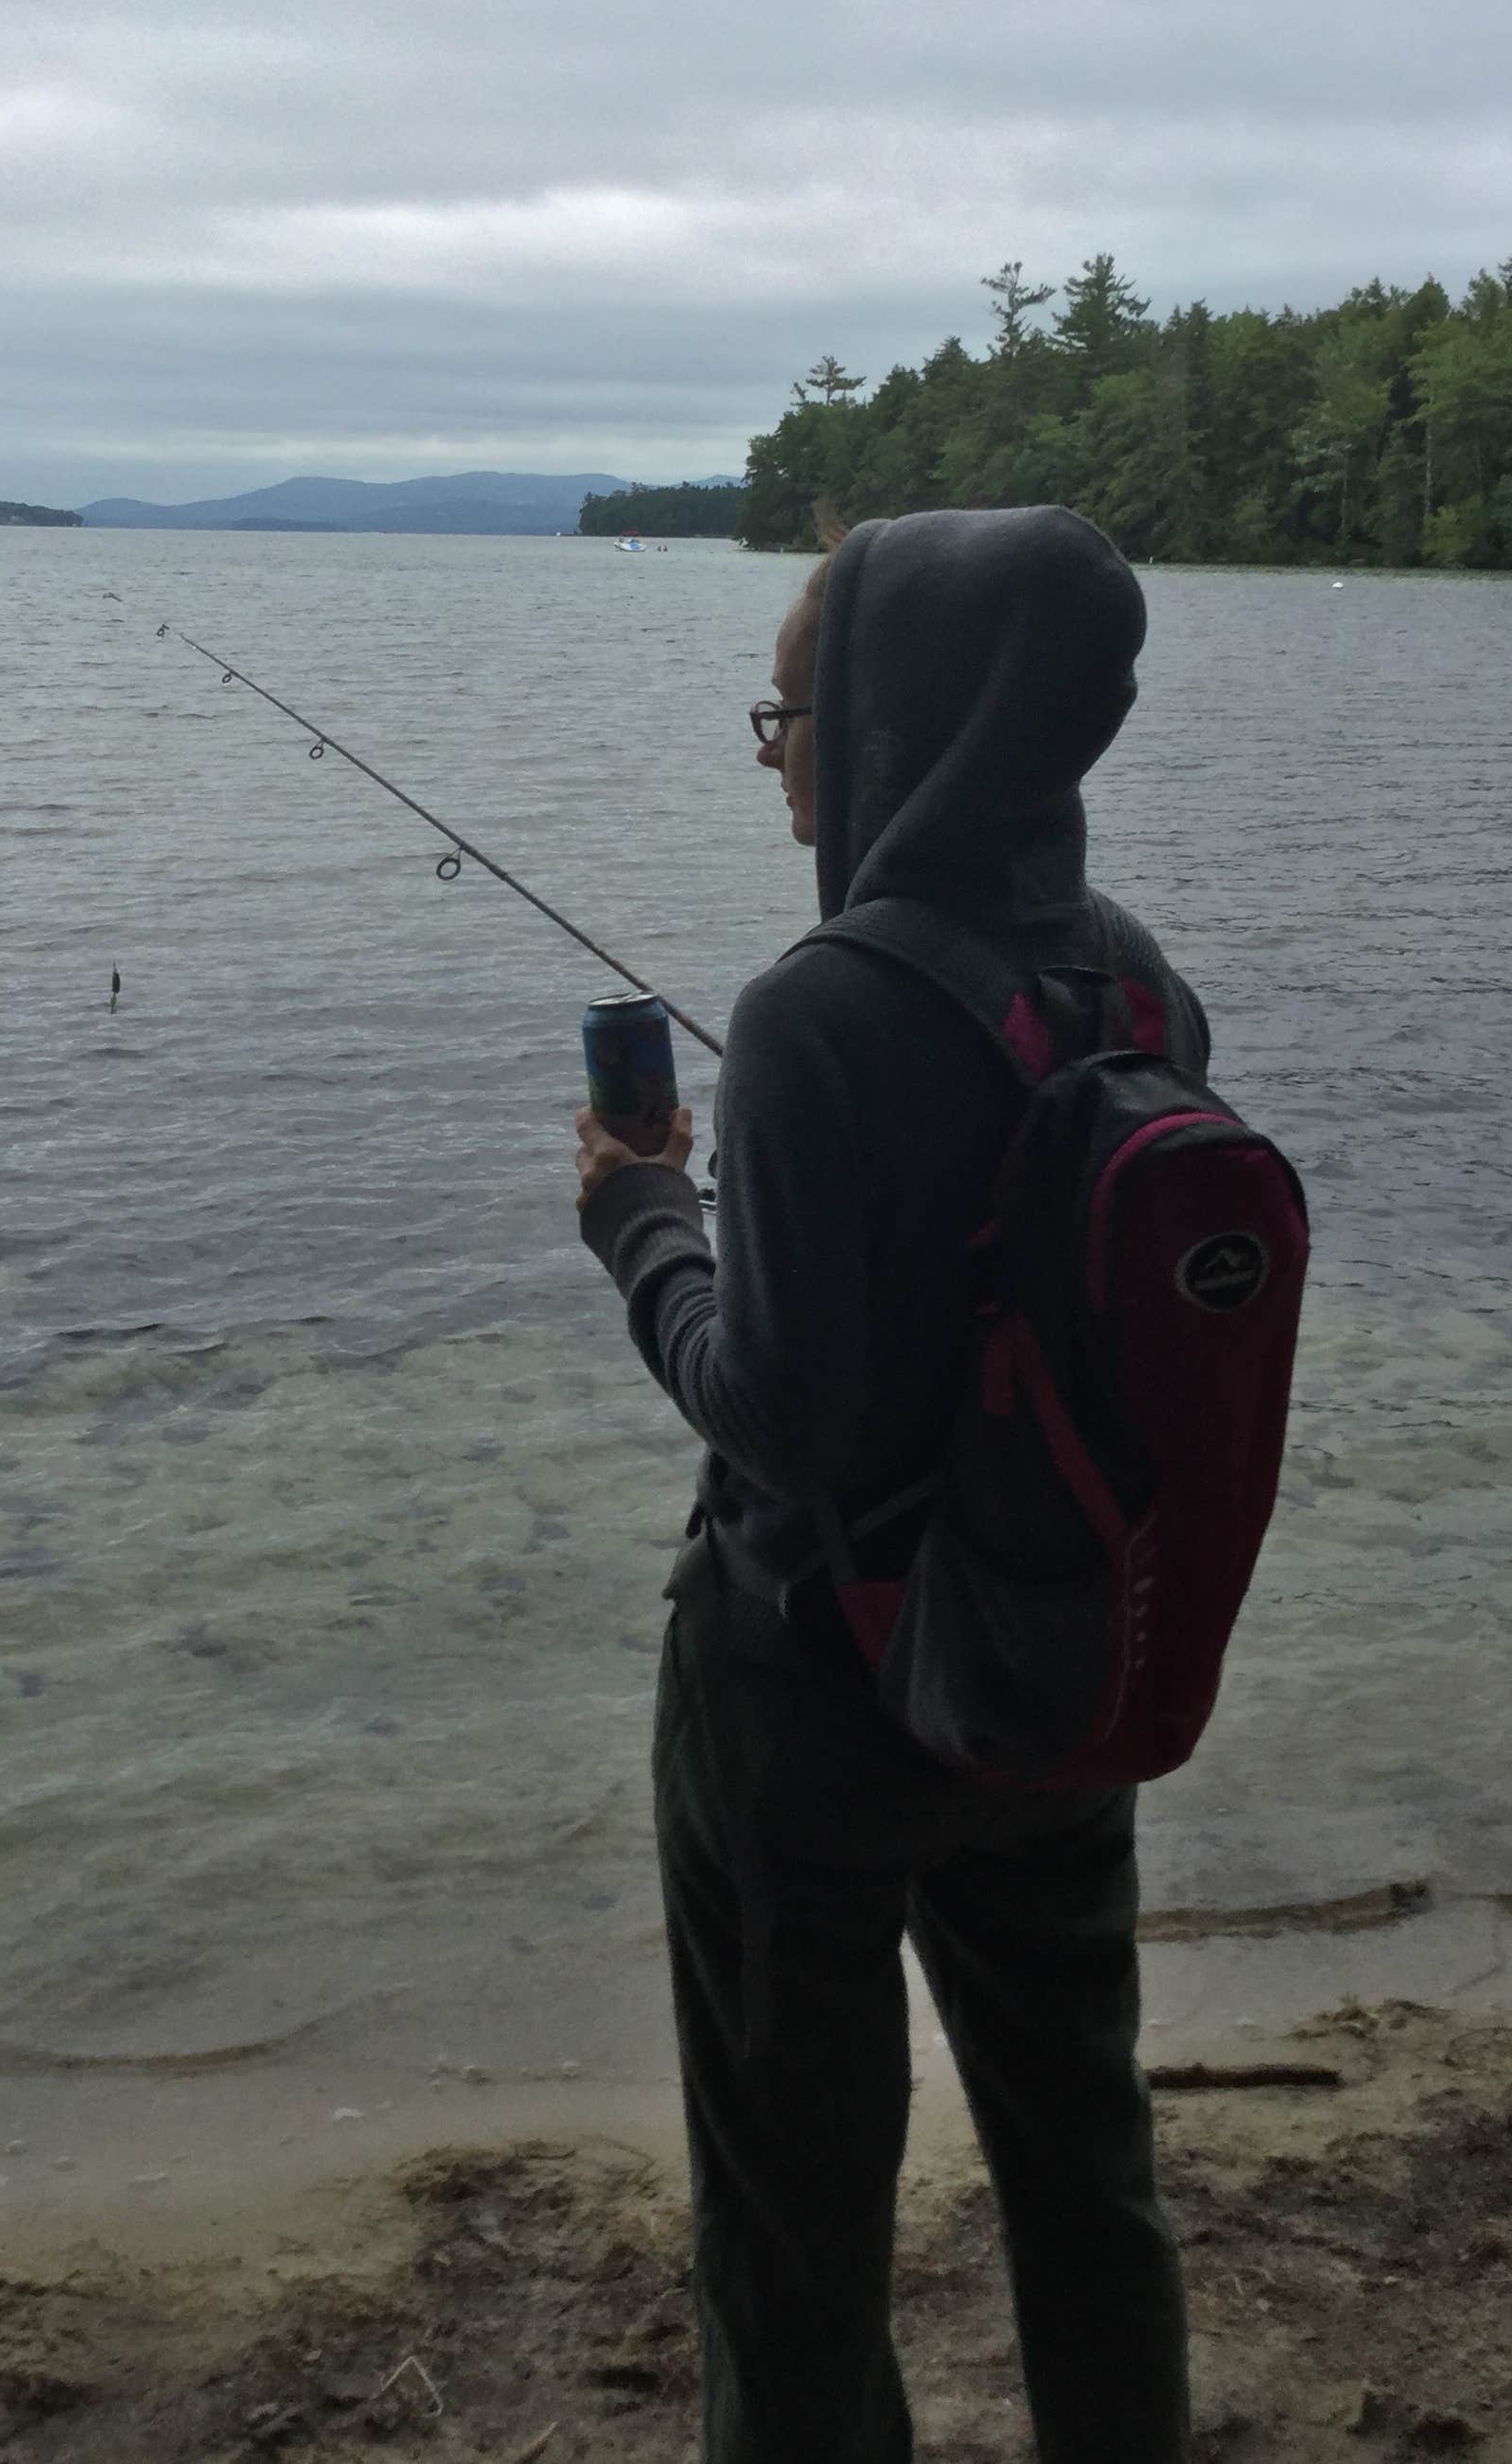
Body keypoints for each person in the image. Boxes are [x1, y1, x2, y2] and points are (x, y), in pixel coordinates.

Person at [573, 507, 1202, 2464]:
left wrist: (643, 1226)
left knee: (795, 2234)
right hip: (1052, 1684)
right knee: (1088, 2171)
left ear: (893, 719)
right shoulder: (1137, 992)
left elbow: (781, 1416)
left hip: (808, 1710)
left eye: (791, 716)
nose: (780, 757)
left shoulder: (815, 1016)